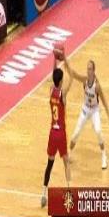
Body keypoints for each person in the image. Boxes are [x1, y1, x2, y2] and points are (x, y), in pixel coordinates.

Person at [41, 58, 74, 207]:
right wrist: (65, 58)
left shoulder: (51, 90)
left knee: (49, 164)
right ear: (60, 81)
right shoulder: (62, 94)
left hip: (52, 134)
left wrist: (55, 59)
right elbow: (72, 77)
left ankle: (43, 194)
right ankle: (69, 193)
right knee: (66, 162)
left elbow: (53, 74)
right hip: (61, 134)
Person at [68, 60, 109, 170]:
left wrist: (108, 115)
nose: (88, 71)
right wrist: (66, 63)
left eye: (90, 69)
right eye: (87, 68)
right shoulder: (84, 80)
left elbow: (104, 101)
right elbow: (74, 75)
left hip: (95, 110)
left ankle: (104, 156)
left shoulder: (97, 86)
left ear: (94, 70)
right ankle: (69, 154)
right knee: (76, 133)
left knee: (98, 131)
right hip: (85, 108)